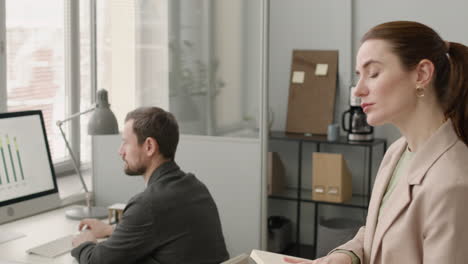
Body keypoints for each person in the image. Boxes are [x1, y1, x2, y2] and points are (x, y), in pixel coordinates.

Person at [286, 21, 468, 264]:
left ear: (422, 74)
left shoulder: (452, 184)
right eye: (359, 75)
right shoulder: (397, 152)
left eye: (373, 73)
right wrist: (345, 256)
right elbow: (381, 231)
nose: (359, 89)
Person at [71, 106, 229, 264]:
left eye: (125, 142)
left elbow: (95, 262)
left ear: (149, 146)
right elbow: (162, 230)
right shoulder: (195, 187)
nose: (120, 151)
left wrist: (85, 243)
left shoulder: (149, 204)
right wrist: (111, 230)